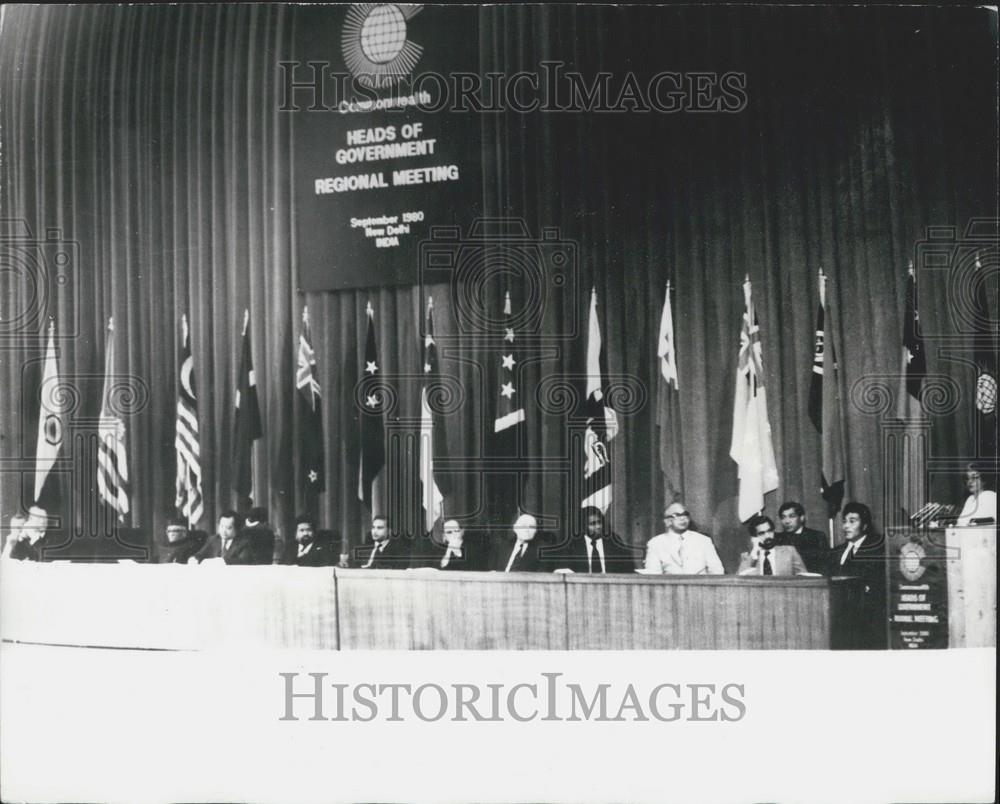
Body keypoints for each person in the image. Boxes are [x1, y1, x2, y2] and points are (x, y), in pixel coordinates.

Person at [828, 501, 887, 649]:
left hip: (867, 621)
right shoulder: (836, 551)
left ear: (865, 525)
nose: (846, 526)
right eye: (844, 521)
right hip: (839, 619)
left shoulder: (878, 548)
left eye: (852, 521)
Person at [548, 506, 638, 573]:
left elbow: (628, 569)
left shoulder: (614, 541)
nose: (598, 527)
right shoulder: (572, 544)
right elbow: (563, 570)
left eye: (599, 522)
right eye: (592, 524)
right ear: (583, 526)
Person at [644, 502, 724, 575]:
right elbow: (653, 574)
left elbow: (717, 571)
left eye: (685, 514)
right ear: (667, 521)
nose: (682, 518)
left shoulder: (704, 540)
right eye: (676, 515)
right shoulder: (656, 543)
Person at [737, 514, 808, 576]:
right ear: (754, 537)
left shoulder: (789, 551)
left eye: (769, 531)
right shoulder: (750, 557)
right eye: (762, 533)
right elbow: (739, 578)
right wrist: (754, 553)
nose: (767, 536)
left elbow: (804, 576)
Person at [776, 501, 827, 572]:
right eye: (783, 517)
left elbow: (824, 566)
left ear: (802, 518)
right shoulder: (777, 538)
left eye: (792, 516)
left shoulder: (817, 536)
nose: (787, 521)